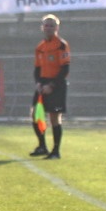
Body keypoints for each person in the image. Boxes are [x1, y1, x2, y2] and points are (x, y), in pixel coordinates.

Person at [29, 14, 70, 160]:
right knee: (36, 115)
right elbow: (37, 69)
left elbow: (65, 69)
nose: (49, 28)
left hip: (56, 85)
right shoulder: (40, 47)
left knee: (54, 118)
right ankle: (42, 146)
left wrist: (52, 85)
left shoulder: (61, 45)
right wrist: (39, 83)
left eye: (52, 25)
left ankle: (56, 151)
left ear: (57, 28)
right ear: (42, 27)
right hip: (43, 84)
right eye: (46, 25)